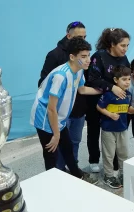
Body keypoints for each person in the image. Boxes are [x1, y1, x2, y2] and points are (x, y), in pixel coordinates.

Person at [30, 37, 100, 184]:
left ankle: (77, 175)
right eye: (83, 56)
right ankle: (52, 184)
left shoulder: (79, 70)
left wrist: (105, 90)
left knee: (67, 148)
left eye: (88, 55)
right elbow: (51, 108)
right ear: (72, 57)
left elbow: (81, 89)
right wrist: (56, 134)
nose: (88, 60)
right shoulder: (61, 76)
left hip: (58, 117)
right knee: (51, 154)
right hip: (45, 118)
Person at [38, 21, 87, 170]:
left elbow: (83, 86)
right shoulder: (55, 56)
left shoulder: (83, 58)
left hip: (77, 108)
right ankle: (59, 174)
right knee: (57, 147)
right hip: (58, 112)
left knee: (74, 142)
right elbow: (42, 83)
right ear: (68, 35)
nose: (82, 40)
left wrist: (107, 88)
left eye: (85, 37)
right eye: (79, 37)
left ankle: (74, 169)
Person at [84, 28, 131, 173]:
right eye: (122, 45)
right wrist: (111, 87)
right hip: (96, 101)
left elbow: (128, 74)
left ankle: (115, 161)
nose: (125, 49)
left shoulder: (124, 59)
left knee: (114, 131)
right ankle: (94, 160)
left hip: (116, 103)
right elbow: (92, 79)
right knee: (94, 130)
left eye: (127, 45)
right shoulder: (99, 56)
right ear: (112, 44)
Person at [97, 65, 134, 188]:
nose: (127, 82)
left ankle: (123, 174)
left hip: (123, 129)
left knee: (123, 153)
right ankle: (108, 175)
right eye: (124, 79)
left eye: (129, 79)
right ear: (115, 80)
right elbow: (99, 107)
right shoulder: (109, 95)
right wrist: (110, 114)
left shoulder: (128, 95)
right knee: (109, 154)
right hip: (108, 130)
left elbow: (126, 109)